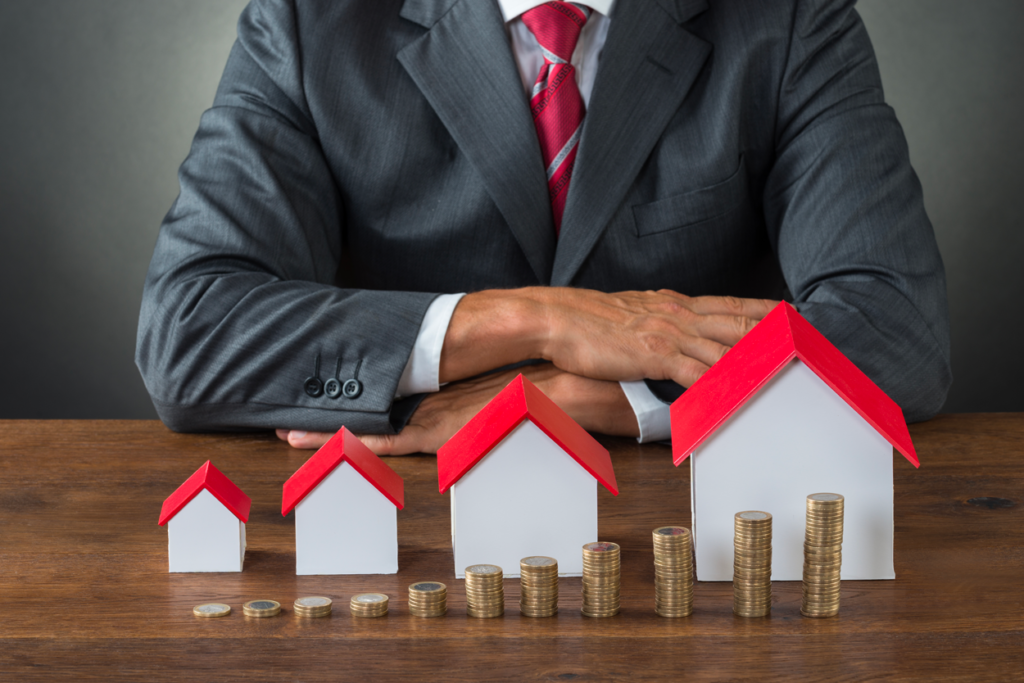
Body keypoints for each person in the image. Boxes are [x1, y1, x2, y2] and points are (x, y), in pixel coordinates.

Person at [136, 0, 951, 455]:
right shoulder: (306, 25)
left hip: (703, 542)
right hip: (401, 536)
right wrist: (543, 320)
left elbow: (896, 332)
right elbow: (191, 332)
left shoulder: (792, 21)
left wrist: (593, 394)